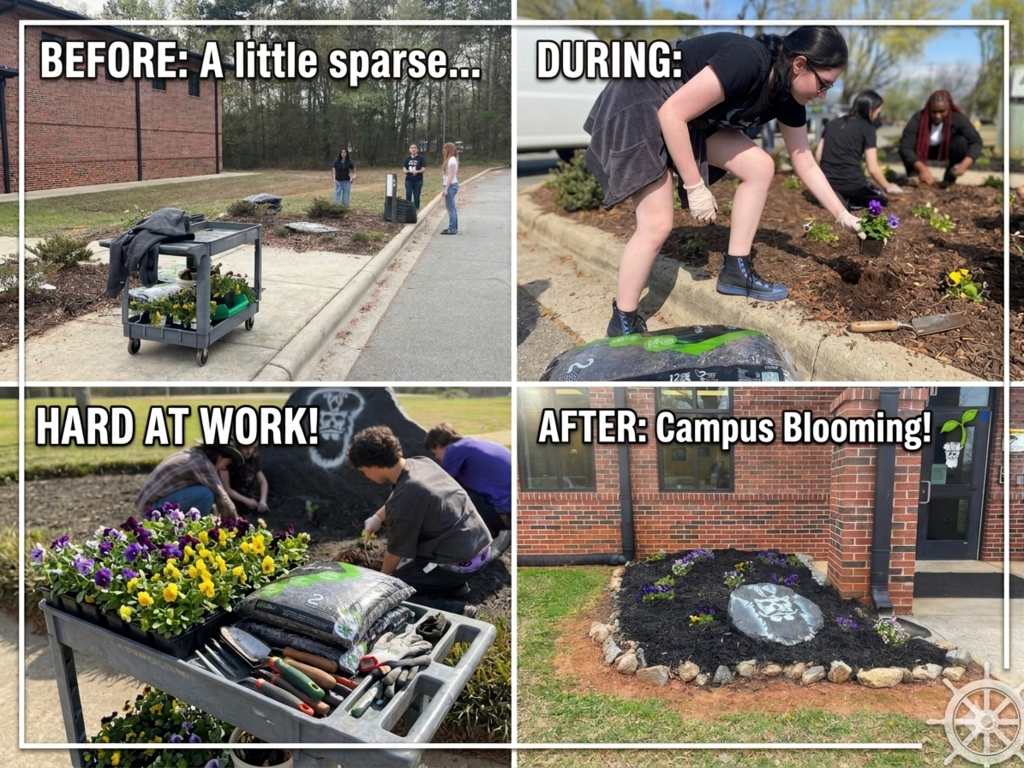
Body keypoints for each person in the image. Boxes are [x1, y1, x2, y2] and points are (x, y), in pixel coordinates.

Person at [583, 26, 863, 335]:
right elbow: (672, 114)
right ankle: (623, 321)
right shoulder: (747, 60)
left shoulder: (788, 94)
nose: (823, 94)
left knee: (759, 166)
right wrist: (694, 185)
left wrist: (842, 214)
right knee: (657, 223)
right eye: (824, 84)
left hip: (685, 114)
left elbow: (804, 160)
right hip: (641, 99)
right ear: (799, 64)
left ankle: (735, 271)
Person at [350, 426, 491, 616]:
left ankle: (458, 610)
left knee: (395, 592)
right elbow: (398, 492)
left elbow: (395, 552)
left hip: (460, 562)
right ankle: (453, 588)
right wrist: (377, 517)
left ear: (372, 465)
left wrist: (382, 583)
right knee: (413, 573)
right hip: (479, 547)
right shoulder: (419, 463)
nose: (364, 475)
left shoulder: (407, 500)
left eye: (362, 470)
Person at [424, 423, 511, 557]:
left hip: (504, 512)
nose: (436, 458)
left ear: (438, 443)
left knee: (453, 495)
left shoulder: (454, 450)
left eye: (434, 453)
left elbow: (441, 485)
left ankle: (492, 534)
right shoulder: (480, 444)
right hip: (515, 506)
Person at [815, 90, 903, 208]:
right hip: (854, 185)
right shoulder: (868, 128)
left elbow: (819, 155)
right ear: (871, 110)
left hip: (827, 183)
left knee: (843, 192)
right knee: (881, 200)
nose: (878, 116)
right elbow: (872, 168)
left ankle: (833, 197)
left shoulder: (831, 123)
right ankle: (848, 201)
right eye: (878, 112)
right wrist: (887, 186)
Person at [136, 442, 242, 520]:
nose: (227, 468)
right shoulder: (203, 464)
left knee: (207, 498)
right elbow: (222, 497)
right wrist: (235, 525)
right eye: (229, 463)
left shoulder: (194, 454)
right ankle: (196, 534)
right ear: (220, 457)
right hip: (153, 510)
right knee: (206, 495)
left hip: (153, 504)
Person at [898, 90, 982, 188]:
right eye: (933, 111)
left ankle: (949, 178)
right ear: (929, 109)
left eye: (942, 111)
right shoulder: (918, 118)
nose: (937, 116)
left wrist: (964, 165)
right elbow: (905, 147)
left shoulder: (958, 119)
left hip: (945, 150)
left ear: (949, 108)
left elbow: (976, 142)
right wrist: (922, 169)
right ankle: (913, 175)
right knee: (906, 146)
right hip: (922, 150)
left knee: (962, 142)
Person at [219, 437, 269, 514]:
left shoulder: (253, 459)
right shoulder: (228, 460)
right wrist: (246, 500)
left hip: (247, 496)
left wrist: (263, 501)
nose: (249, 451)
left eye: (251, 447)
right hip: (232, 499)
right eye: (245, 448)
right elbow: (226, 489)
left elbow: (262, 481)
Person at [439, 141, 459, 235]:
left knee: (450, 208)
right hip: (450, 185)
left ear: (448, 150)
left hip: (451, 185)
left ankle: (452, 229)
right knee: (451, 208)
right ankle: (452, 227)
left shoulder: (451, 160)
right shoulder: (451, 159)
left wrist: (446, 189)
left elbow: (450, 175)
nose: (443, 151)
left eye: (444, 149)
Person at [402, 143, 426, 209]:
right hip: (408, 180)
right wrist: (406, 171)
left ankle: (416, 209)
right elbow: (404, 168)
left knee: (416, 196)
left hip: (418, 180)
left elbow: (423, 169)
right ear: (409, 149)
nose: (413, 149)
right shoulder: (407, 159)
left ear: (417, 149)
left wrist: (417, 171)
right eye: (412, 148)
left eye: (414, 148)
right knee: (408, 195)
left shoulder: (421, 158)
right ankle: (408, 209)